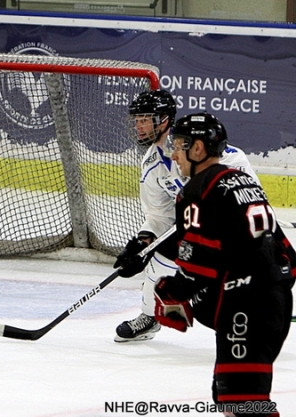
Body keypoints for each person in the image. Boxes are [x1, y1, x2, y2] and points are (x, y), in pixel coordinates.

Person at [154, 112, 293, 416]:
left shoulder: (197, 190)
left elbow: (198, 268)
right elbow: (287, 256)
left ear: (199, 148)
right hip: (274, 298)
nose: (175, 154)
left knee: (245, 405)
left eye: (179, 145)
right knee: (232, 399)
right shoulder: (241, 180)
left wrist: (169, 292)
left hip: (248, 306)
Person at [112, 89, 259, 342]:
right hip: (194, 231)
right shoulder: (152, 165)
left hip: (232, 235)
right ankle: (150, 317)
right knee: (158, 263)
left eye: (145, 119)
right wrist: (142, 244)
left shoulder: (229, 158)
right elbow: (159, 215)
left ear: (165, 120)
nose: (138, 126)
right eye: (136, 120)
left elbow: (252, 202)